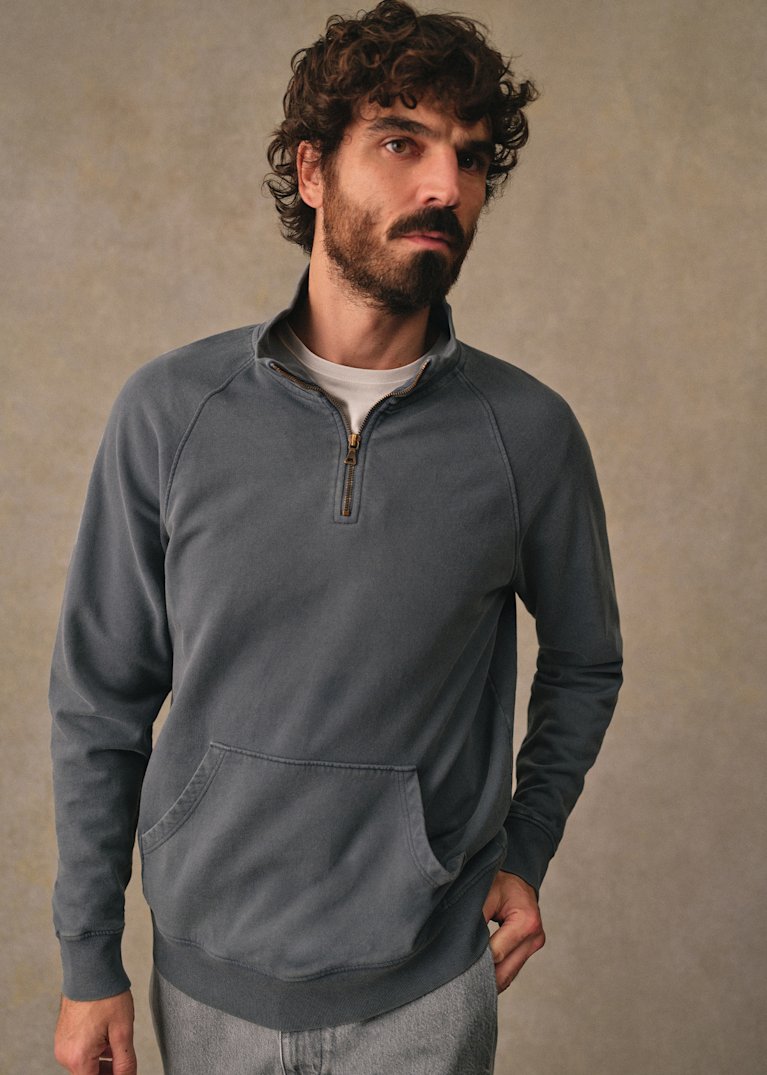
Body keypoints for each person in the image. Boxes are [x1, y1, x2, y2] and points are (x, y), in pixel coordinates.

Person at [50, 2, 623, 1072]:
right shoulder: (171, 412)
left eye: (469, 157)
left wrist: (527, 844)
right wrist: (89, 961)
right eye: (402, 142)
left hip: (424, 986)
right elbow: (100, 699)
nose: (444, 185)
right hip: (206, 981)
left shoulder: (526, 434)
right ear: (312, 170)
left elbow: (586, 661)